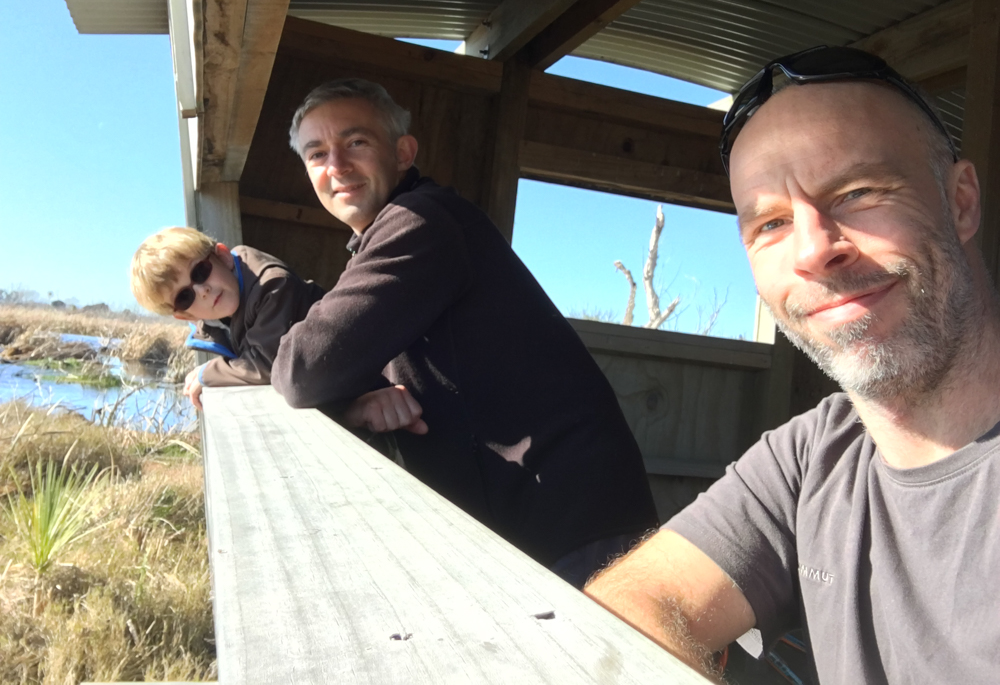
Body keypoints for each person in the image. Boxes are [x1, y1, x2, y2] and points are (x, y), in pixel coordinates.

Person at [585, 46, 1000, 683]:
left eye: (858, 192)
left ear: (961, 202)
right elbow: (629, 607)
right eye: (772, 224)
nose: (812, 251)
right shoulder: (816, 454)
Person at [270, 79, 658, 586]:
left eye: (356, 142)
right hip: (540, 517)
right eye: (317, 154)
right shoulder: (395, 231)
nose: (336, 166)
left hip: (570, 523)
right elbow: (332, 355)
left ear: (403, 152)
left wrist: (342, 394)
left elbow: (302, 369)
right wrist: (359, 400)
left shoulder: (421, 221)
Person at [131, 227, 325, 410]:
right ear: (186, 315)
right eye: (184, 297)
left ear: (223, 257)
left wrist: (206, 374)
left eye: (200, 272)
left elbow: (266, 364)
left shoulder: (272, 287)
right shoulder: (218, 321)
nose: (202, 291)